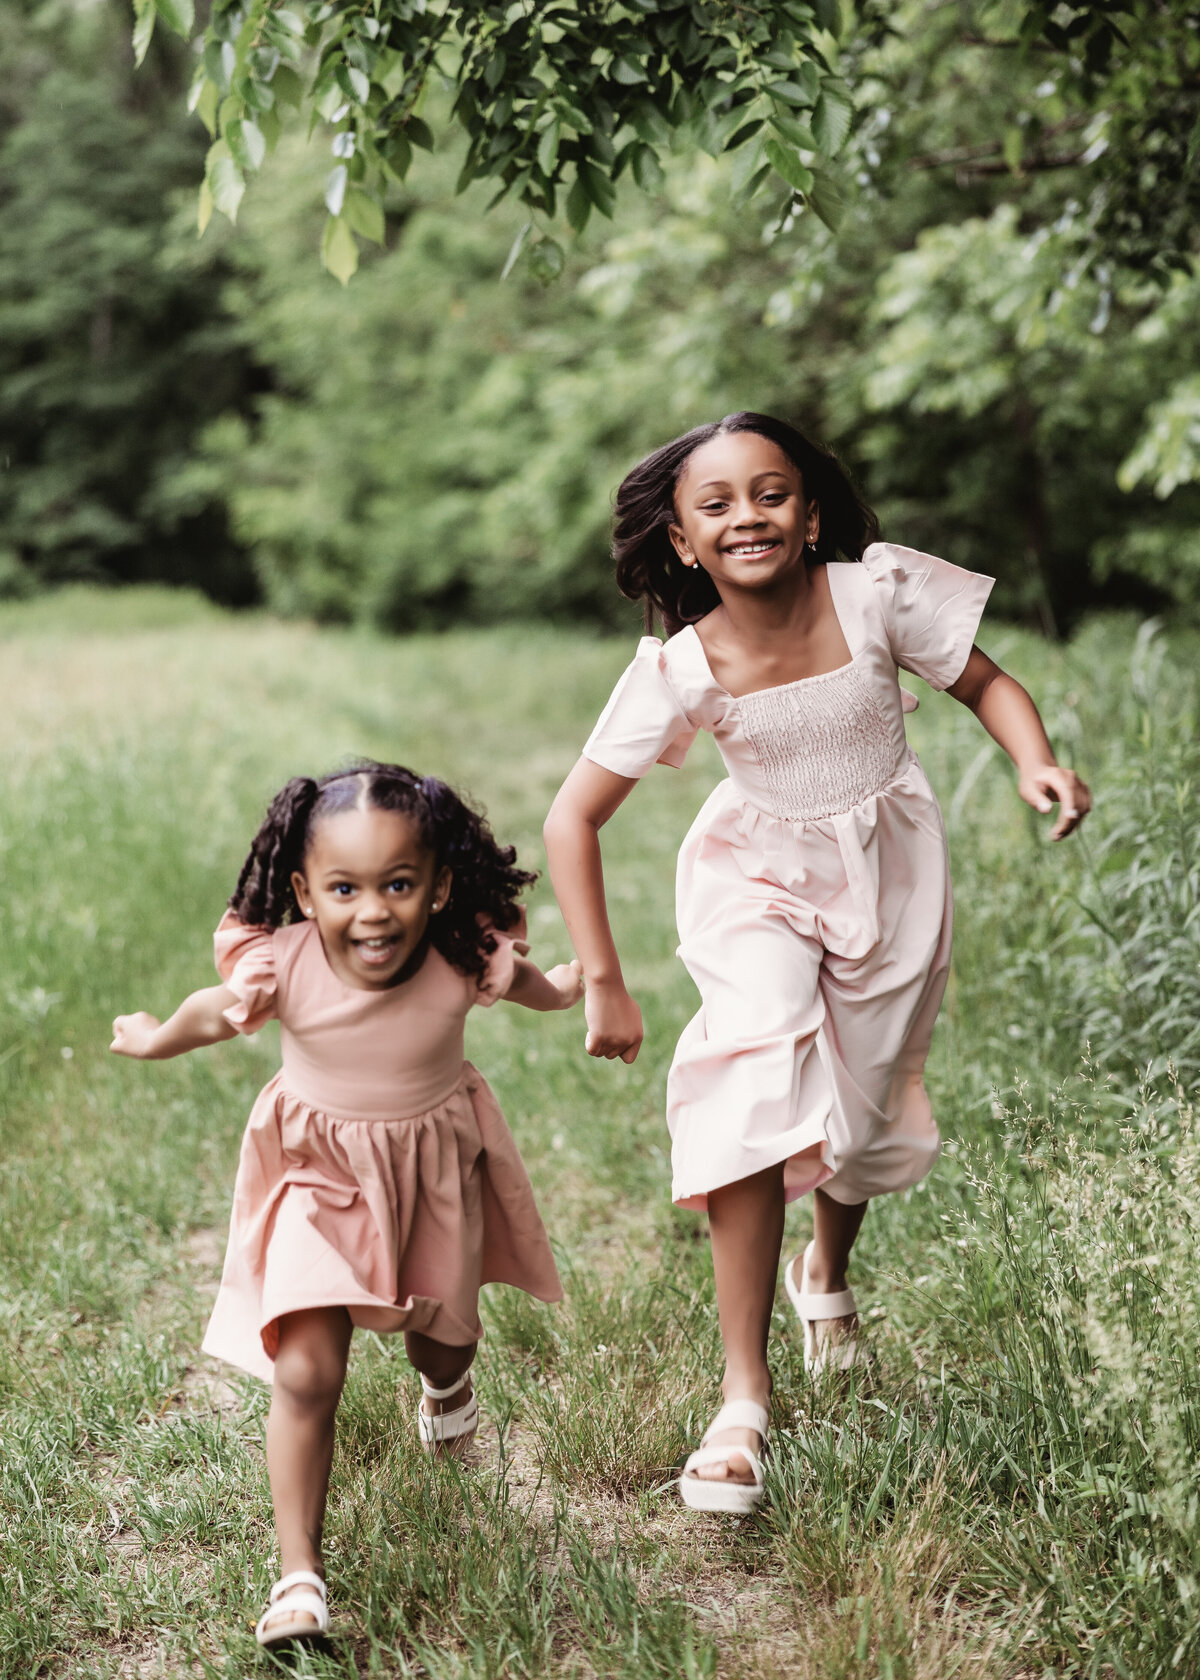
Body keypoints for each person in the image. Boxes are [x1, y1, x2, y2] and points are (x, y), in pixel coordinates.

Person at [543, 411, 1090, 1515]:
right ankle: (743, 1400)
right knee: (754, 1077)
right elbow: (572, 820)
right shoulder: (682, 665)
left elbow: (985, 682)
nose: (748, 514)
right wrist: (603, 974)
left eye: (772, 491)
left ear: (812, 511)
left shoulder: (876, 591)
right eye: (718, 504)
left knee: (866, 1097)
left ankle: (824, 1277)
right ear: (685, 542)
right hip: (759, 881)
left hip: (891, 873)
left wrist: (1035, 761)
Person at [111, 762, 579, 1641]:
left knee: (443, 1343)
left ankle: (448, 1393)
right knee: (306, 1369)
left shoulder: (459, 954)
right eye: (344, 888)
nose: (373, 911)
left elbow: (524, 985)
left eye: (398, 884)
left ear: (438, 886)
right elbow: (216, 1012)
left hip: (430, 1174)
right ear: (303, 890)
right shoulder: (282, 963)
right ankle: (298, 1579)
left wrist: (567, 988)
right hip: (315, 1179)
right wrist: (154, 1039)